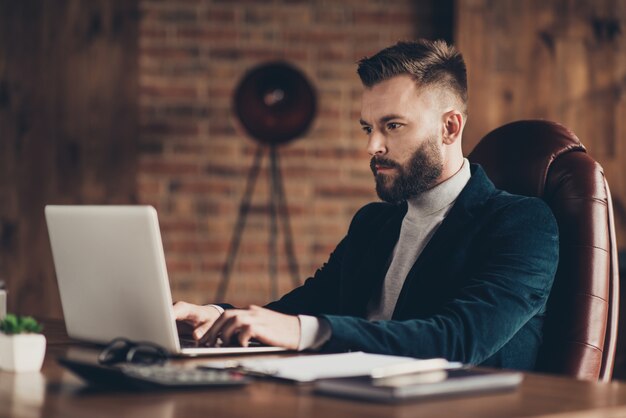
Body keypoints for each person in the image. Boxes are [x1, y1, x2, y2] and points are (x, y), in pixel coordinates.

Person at [173, 39, 559, 370]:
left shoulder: (523, 223)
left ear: (450, 127)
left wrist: (304, 331)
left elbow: (456, 340)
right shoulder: (372, 223)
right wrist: (221, 317)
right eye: (367, 128)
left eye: (392, 126)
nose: (372, 146)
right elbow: (304, 306)